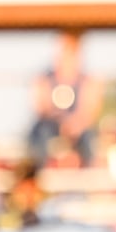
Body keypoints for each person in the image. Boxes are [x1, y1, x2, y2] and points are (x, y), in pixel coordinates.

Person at [27, 31, 102, 167]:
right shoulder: (44, 80)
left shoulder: (88, 81)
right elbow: (41, 108)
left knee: (89, 136)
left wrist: (74, 125)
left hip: (79, 128)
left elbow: (89, 112)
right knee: (42, 131)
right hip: (52, 126)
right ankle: (43, 171)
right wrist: (62, 122)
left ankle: (88, 173)